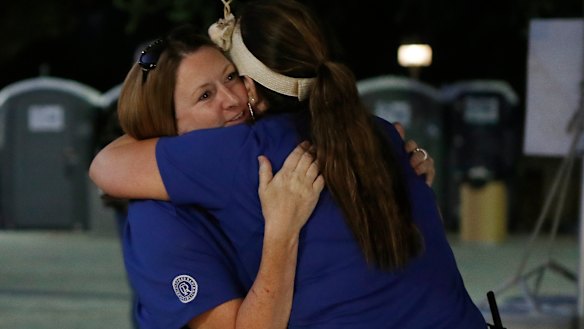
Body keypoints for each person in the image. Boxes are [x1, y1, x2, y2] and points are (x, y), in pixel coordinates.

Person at [90, 1, 482, 328]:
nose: (231, 98)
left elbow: (108, 166)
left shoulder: (247, 150)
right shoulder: (374, 133)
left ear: (254, 85)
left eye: (232, 77)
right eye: (204, 95)